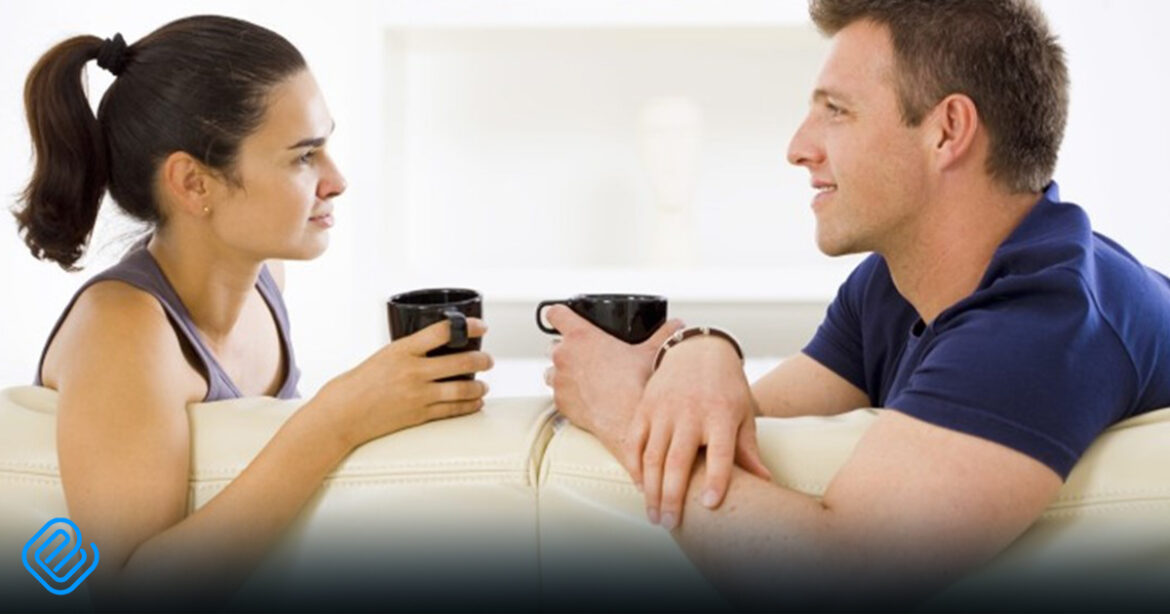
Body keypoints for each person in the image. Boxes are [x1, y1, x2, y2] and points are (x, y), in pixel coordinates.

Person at [545, 0, 1170, 608]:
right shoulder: (897, 284)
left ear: (948, 131)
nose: (798, 148)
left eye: (837, 111)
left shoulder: (1041, 321)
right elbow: (745, 425)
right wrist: (700, 350)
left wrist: (618, 412)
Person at [13, 15, 492, 610]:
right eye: (303, 157)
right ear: (193, 183)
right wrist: (335, 420)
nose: (336, 180)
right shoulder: (123, 330)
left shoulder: (266, 282)